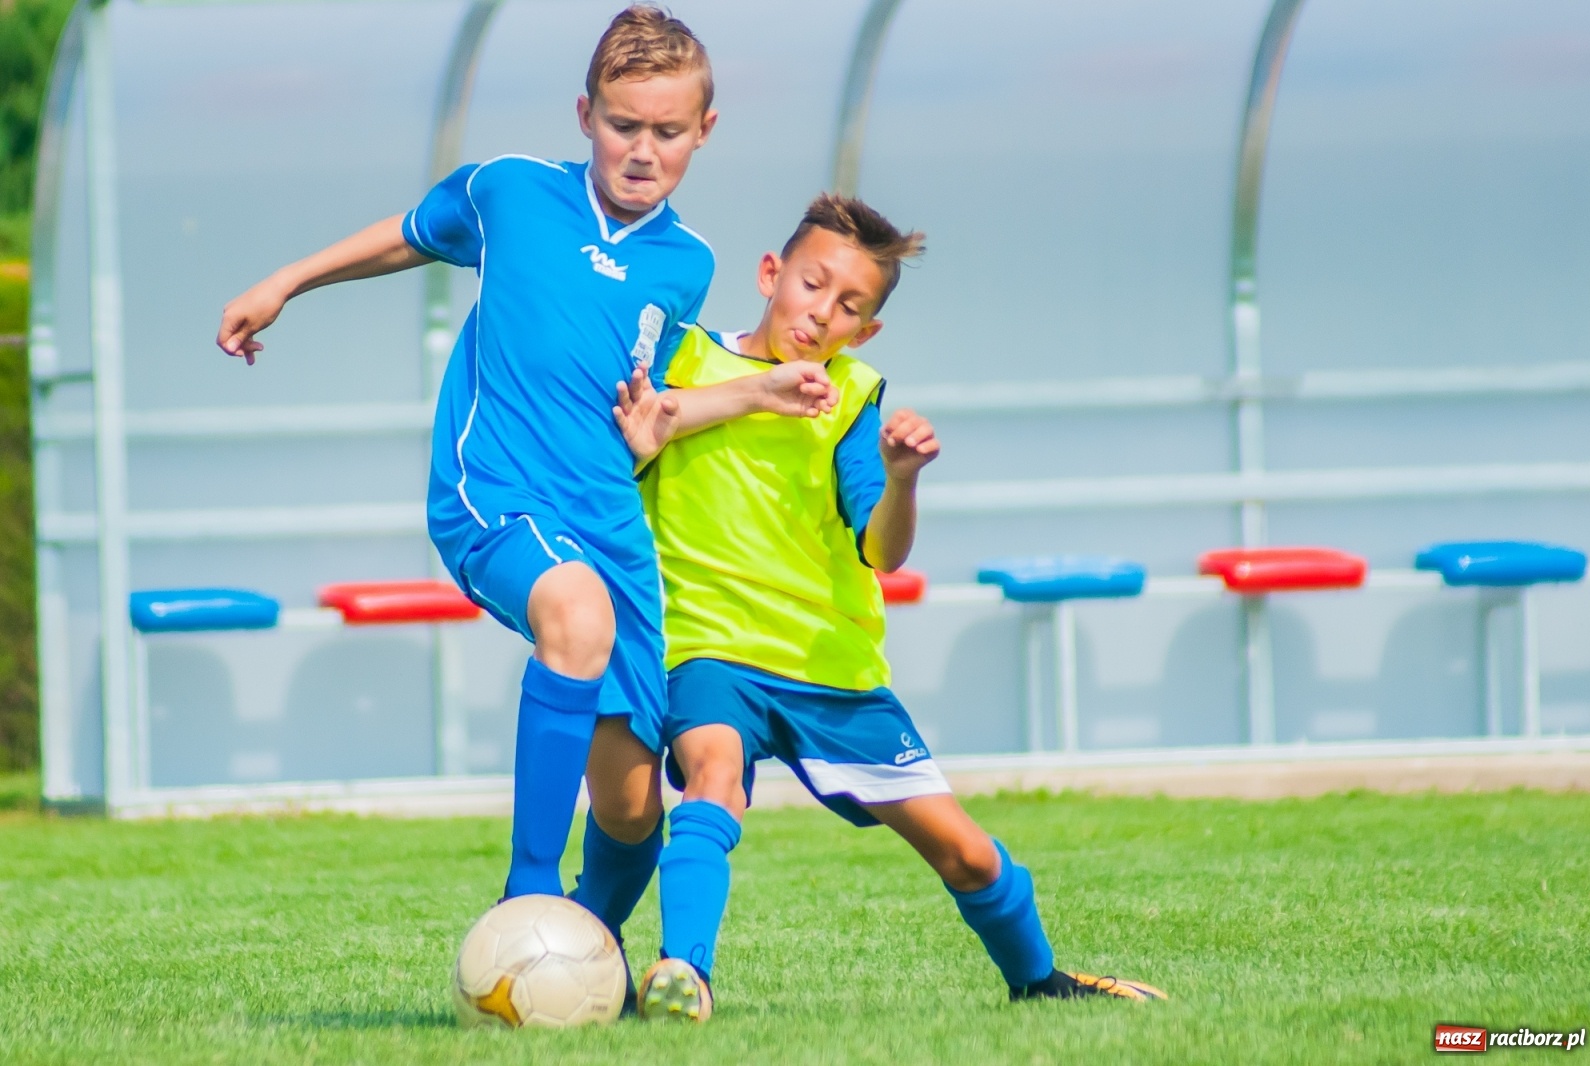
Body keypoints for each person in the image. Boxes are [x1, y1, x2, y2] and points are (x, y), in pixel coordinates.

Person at [215, 6, 836, 925]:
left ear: (704, 133)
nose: (642, 149)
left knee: (630, 813)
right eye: (624, 125)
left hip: (609, 528)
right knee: (573, 613)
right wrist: (282, 285)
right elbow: (405, 235)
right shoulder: (509, 190)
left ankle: (579, 950)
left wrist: (755, 394)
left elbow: (650, 409)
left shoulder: (688, 263)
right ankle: (528, 895)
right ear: (585, 114)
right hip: (493, 495)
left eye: (668, 132)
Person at [608, 194, 1168, 1021]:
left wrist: (902, 477)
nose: (821, 313)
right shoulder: (682, 362)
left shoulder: (851, 402)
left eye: (849, 306)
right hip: (707, 649)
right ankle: (682, 976)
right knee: (713, 780)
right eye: (811, 284)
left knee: (969, 855)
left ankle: (1039, 979)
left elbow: (883, 551)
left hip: (829, 667)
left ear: (864, 332)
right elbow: (615, 462)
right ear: (771, 275)